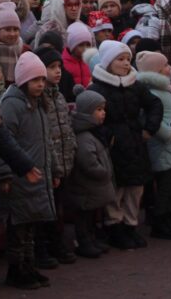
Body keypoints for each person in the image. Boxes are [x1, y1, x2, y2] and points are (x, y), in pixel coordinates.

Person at [87, 40, 163, 250]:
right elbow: (89, 116)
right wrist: (106, 137)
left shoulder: (135, 85)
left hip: (135, 143)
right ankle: (115, 226)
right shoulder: (97, 87)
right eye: (120, 59)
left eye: (128, 59)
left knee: (136, 188)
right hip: (113, 146)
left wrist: (150, 128)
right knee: (116, 189)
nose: (125, 64)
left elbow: (154, 103)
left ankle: (130, 224)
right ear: (108, 62)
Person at [0, 53, 57, 290]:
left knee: (31, 226)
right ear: (23, 81)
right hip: (19, 175)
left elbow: (46, 140)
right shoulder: (12, 104)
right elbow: (2, 141)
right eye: (35, 80)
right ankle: (16, 270)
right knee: (18, 229)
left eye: (42, 80)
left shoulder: (39, 104)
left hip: (37, 173)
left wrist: (55, 168)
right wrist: (4, 174)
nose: (40, 84)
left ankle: (29, 266)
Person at [135, 50, 171, 240]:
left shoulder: (165, 89)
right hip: (165, 145)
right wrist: (168, 135)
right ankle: (161, 220)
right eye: (165, 66)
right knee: (166, 185)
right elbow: (148, 118)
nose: (170, 68)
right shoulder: (152, 92)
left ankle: (168, 215)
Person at [34, 45, 77, 267]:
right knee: (46, 209)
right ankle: (43, 247)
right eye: (52, 67)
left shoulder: (58, 95)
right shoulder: (39, 98)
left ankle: (56, 243)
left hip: (63, 160)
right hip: (48, 163)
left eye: (59, 66)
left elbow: (65, 127)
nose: (58, 71)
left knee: (58, 206)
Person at [63, 89, 114, 259]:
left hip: (92, 186)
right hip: (86, 185)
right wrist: (103, 172)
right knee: (83, 216)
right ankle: (83, 242)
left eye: (103, 109)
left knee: (91, 215)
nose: (103, 113)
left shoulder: (94, 132)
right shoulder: (84, 136)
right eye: (98, 110)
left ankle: (91, 239)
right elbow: (88, 161)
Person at [60, 21, 93, 101]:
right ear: (72, 45)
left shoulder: (91, 62)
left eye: (88, 45)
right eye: (81, 45)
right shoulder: (63, 63)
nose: (85, 48)